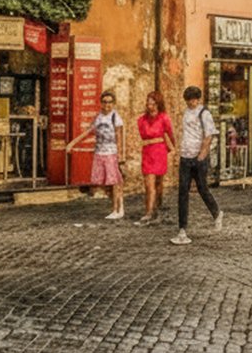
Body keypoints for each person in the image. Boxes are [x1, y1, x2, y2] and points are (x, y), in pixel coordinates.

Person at [172, 86, 223, 245]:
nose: (191, 103)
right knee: (183, 192)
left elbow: (209, 136)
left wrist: (202, 154)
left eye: (193, 100)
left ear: (198, 99)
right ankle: (182, 229)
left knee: (202, 188)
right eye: (188, 100)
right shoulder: (186, 113)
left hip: (198, 157)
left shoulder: (204, 114)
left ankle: (216, 212)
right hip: (185, 156)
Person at [67, 91, 127, 220]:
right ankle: (119, 205)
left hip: (111, 152)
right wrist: (73, 143)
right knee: (102, 182)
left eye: (110, 102)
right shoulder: (98, 117)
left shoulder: (115, 117)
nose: (107, 105)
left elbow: (119, 136)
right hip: (99, 153)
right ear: (101, 103)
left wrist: (120, 155)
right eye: (104, 102)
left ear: (113, 103)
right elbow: (88, 131)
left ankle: (116, 210)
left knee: (114, 182)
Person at [135, 92, 175, 226]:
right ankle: (149, 212)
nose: (150, 106)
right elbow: (142, 135)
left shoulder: (164, 118)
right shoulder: (141, 120)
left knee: (158, 182)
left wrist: (172, 149)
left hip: (160, 152)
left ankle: (157, 206)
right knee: (149, 184)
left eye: (153, 103)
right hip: (147, 152)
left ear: (158, 104)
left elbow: (170, 134)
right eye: (148, 103)